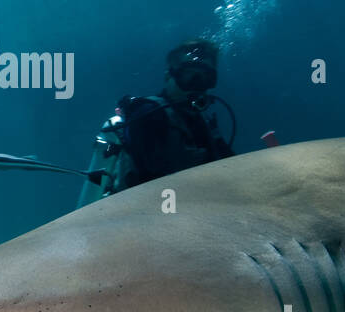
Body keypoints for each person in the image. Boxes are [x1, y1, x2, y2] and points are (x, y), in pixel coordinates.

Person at [77, 39, 236, 205]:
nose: (196, 86)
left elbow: (230, 168)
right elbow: (154, 178)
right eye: (189, 76)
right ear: (169, 76)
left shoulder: (204, 124)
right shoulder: (148, 113)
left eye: (205, 78)